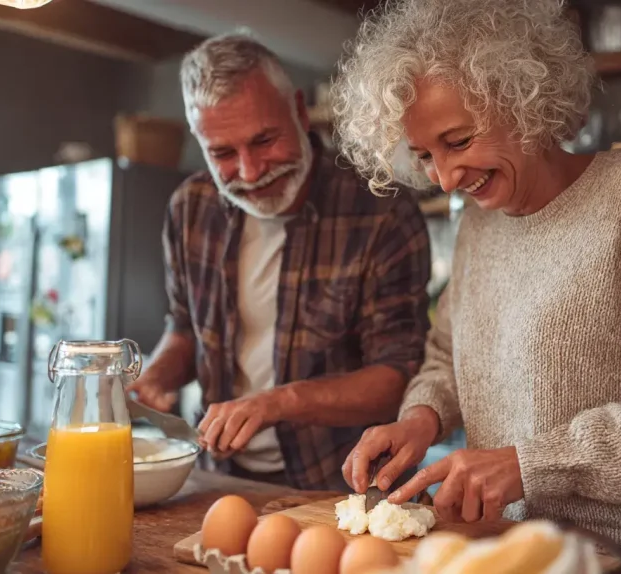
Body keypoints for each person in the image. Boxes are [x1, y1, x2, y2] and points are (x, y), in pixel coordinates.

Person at [332, 0, 621, 566]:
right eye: (424, 156)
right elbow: (445, 358)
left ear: (520, 98)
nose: (447, 178)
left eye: (458, 142)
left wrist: (530, 464)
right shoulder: (477, 227)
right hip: (522, 553)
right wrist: (421, 418)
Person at [126, 31, 433, 492]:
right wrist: (156, 376)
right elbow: (187, 327)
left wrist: (277, 402)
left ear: (299, 109)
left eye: (264, 140)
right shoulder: (190, 207)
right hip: (220, 477)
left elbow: (397, 377)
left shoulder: (381, 210)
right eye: (223, 154)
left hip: (346, 482)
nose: (250, 172)